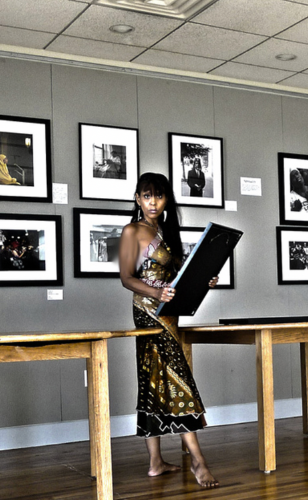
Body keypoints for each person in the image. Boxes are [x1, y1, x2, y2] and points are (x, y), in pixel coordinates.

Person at [118, 172, 219, 488]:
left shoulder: (168, 233)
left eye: (158, 196)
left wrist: (203, 281)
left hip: (171, 316)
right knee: (179, 384)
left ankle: (155, 462)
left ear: (165, 200)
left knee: (152, 384)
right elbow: (126, 278)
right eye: (147, 196)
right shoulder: (132, 231)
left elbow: (178, 279)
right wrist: (156, 293)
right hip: (148, 315)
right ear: (138, 199)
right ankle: (198, 462)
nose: (153, 202)